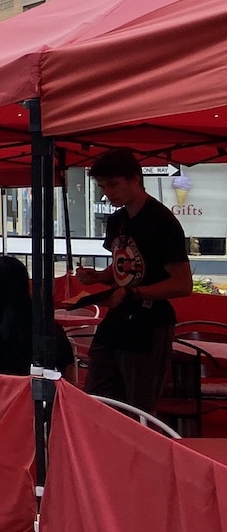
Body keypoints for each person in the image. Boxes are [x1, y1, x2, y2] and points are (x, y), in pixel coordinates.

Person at [73, 148, 192, 413]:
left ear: (136, 179)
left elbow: (183, 284)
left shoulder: (162, 222)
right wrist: (98, 277)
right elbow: (123, 267)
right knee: (98, 398)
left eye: (113, 184)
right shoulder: (117, 220)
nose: (108, 193)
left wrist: (135, 293)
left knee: (139, 405)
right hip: (117, 321)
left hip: (149, 324)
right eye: (103, 186)